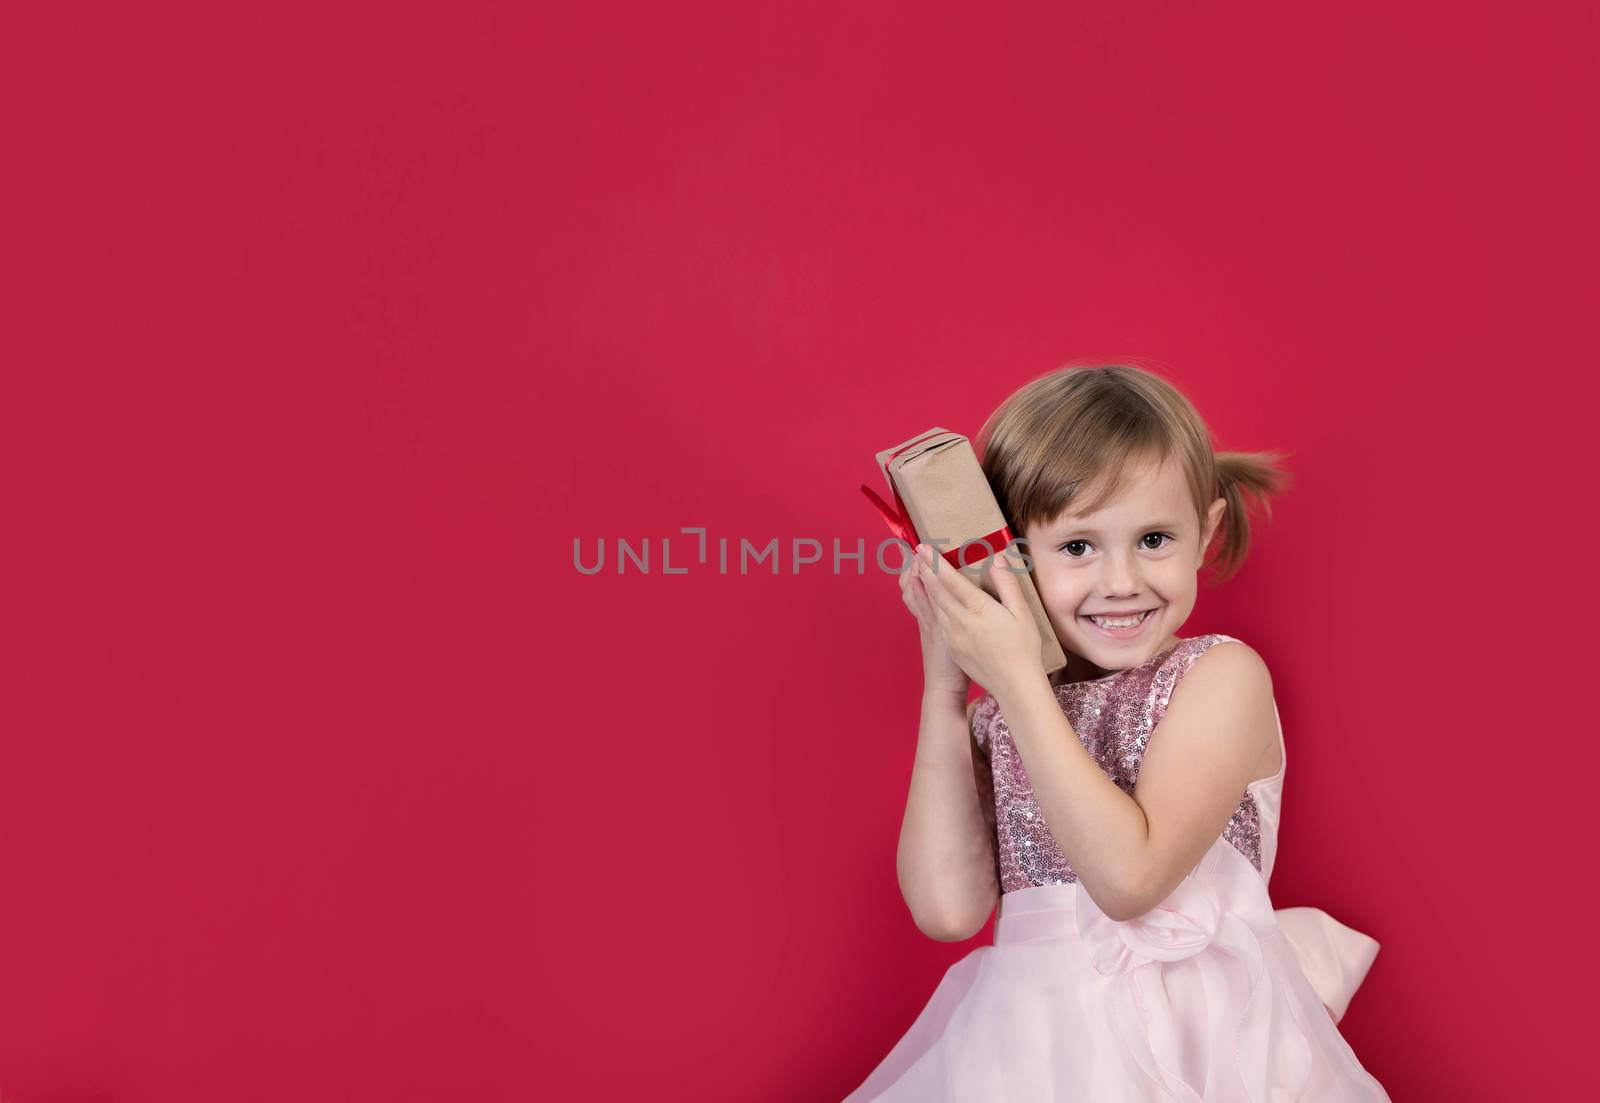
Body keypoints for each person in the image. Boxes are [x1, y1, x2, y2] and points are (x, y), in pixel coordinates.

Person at [844, 364, 1393, 1101]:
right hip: (1034, 1061)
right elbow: (947, 910)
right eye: (1077, 547)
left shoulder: (1220, 679)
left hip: (1207, 1056)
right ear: (1011, 556)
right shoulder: (1004, 713)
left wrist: (1013, 682)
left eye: (1155, 538)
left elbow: (1128, 881)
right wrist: (947, 686)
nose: (1122, 579)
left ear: (1207, 533)